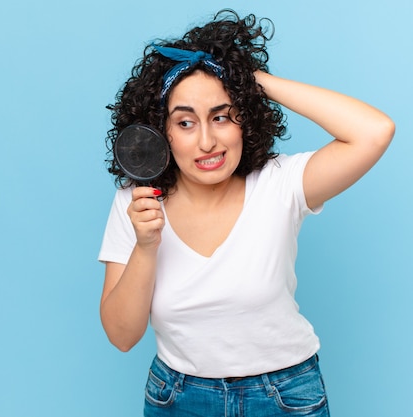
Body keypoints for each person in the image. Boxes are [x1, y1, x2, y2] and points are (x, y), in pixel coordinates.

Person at [98, 9, 394, 417]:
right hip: (177, 398)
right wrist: (146, 246)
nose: (207, 141)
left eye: (221, 116)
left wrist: (251, 80)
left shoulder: (279, 183)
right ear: (160, 131)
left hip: (285, 396)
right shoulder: (138, 201)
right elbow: (122, 335)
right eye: (185, 122)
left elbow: (374, 131)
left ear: (245, 119)